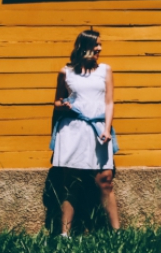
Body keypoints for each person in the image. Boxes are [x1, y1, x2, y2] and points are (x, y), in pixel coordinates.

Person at [50, 29, 120, 236]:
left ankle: (117, 233)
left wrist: (107, 129)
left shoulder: (105, 70)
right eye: (96, 45)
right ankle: (64, 235)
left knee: (105, 179)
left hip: (98, 130)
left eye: (100, 44)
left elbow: (109, 102)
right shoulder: (66, 72)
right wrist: (63, 106)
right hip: (73, 130)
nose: (100, 48)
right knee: (71, 181)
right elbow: (56, 101)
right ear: (84, 47)